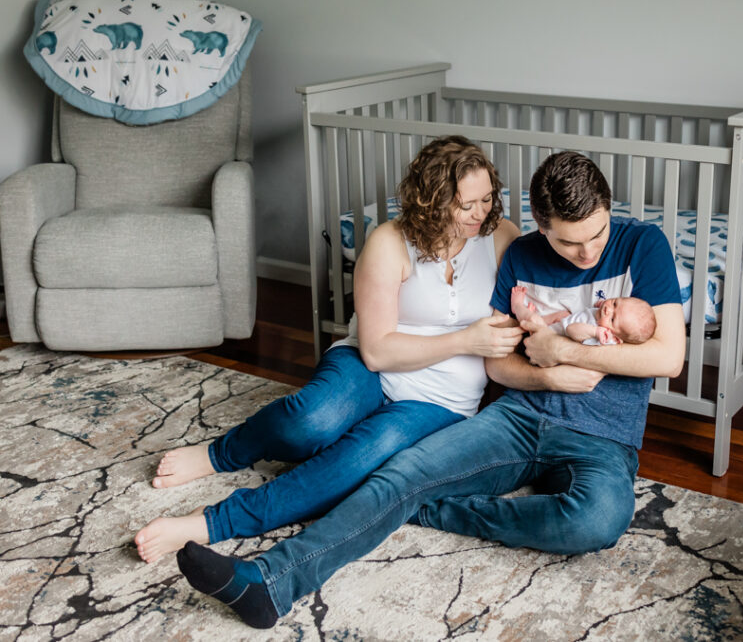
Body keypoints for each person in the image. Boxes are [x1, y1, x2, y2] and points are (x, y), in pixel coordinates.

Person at [173, 150, 686, 629]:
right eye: (569, 241)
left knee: (599, 519)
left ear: (608, 208)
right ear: (540, 223)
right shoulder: (521, 253)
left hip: (602, 436)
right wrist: (546, 375)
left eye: (596, 234)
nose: (587, 251)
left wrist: (566, 352)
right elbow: (500, 368)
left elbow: (668, 357)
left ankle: (431, 510)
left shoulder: (642, 245)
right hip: (516, 418)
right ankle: (271, 582)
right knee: (399, 474)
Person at [133, 135, 523, 563]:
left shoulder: (500, 236)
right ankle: (222, 452)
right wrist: (466, 340)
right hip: (371, 364)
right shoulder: (390, 242)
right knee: (308, 421)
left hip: (441, 399)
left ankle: (212, 523)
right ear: (432, 200)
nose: (479, 213)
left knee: (356, 462)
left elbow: (532, 297)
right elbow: (376, 352)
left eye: (487, 199)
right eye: (465, 205)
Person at [510, 285, 657, 345]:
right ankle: (538, 320)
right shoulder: (603, 318)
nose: (608, 310)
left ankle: (517, 307)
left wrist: (595, 331)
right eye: (615, 304)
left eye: (612, 319)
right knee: (563, 314)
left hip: (545, 340)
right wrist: (600, 306)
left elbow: (571, 329)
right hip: (557, 327)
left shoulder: (601, 337)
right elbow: (592, 314)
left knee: (534, 320)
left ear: (616, 338)